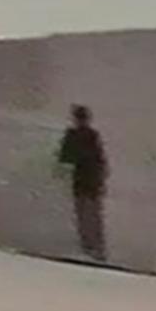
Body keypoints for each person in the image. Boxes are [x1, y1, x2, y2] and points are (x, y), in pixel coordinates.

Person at [56, 104, 109, 262]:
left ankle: (88, 246)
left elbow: (65, 158)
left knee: (84, 215)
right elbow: (100, 160)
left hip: (82, 181)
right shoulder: (92, 136)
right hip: (91, 181)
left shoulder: (73, 136)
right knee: (92, 215)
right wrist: (101, 178)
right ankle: (96, 246)